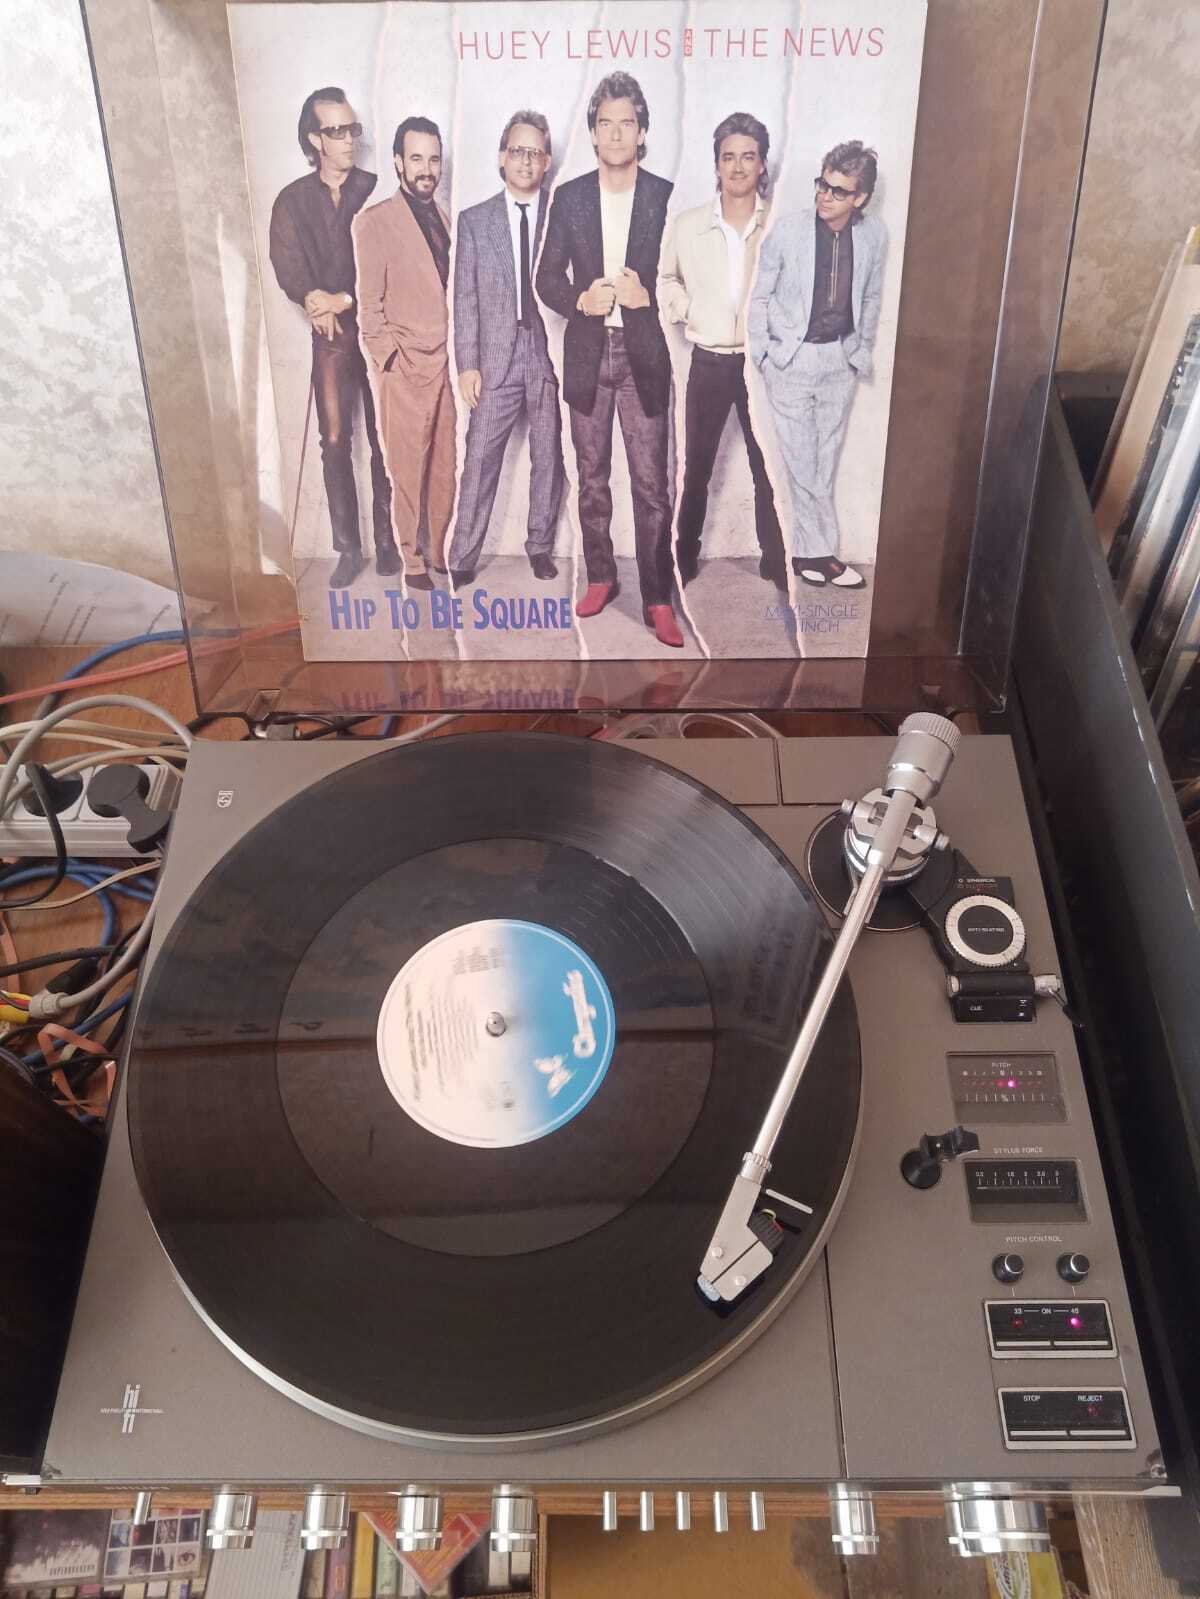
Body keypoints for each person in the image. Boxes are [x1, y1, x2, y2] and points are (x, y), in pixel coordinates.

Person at [535, 72, 682, 648]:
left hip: (644, 355)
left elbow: (683, 279)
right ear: (593, 133)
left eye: (627, 123)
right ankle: (601, 577)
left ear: (642, 132)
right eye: (606, 123)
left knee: (651, 487)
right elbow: (546, 277)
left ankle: (658, 597)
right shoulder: (570, 197)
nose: (616, 133)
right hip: (588, 357)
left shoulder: (664, 196)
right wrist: (579, 300)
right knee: (592, 478)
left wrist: (649, 299)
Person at [269, 87, 396, 590]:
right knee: (335, 439)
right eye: (336, 131)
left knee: (386, 438)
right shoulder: (292, 200)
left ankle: (389, 541)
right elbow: (286, 262)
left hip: (380, 330)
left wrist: (340, 299)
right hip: (332, 337)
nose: (348, 140)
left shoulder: (378, 191)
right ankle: (348, 549)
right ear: (314, 139)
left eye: (352, 129)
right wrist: (311, 299)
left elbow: (391, 266)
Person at [748, 139, 886, 590]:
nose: (825, 196)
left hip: (839, 360)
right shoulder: (787, 231)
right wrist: (764, 353)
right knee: (802, 462)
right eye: (822, 185)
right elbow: (759, 296)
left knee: (824, 461)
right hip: (792, 359)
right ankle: (822, 556)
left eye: (838, 191)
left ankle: (811, 555)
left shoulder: (874, 235)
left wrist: (859, 352)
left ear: (860, 198)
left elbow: (870, 296)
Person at [658, 111, 786, 592]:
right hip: (709, 361)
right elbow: (665, 278)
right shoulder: (689, 224)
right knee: (696, 467)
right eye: (728, 157)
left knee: (766, 467)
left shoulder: (779, 225)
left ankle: (775, 561)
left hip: (760, 364)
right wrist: (690, 310)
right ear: (716, 164)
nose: (737, 167)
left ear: (761, 163)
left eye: (747, 157)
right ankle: (683, 558)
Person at [447, 111, 564, 587]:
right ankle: (462, 557)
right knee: (480, 457)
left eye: (534, 152)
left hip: (546, 351)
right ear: (502, 157)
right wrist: (467, 364)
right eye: (517, 151)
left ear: (547, 161)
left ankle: (540, 546)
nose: (525, 161)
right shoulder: (475, 221)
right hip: (496, 356)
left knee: (549, 454)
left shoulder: (561, 214)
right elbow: (464, 297)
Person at [353, 116, 455, 591]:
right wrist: (389, 360)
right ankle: (411, 558)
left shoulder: (447, 218)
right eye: (416, 158)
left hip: (447, 362)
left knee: (444, 464)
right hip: (404, 366)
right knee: (407, 468)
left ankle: (437, 550)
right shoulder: (374, 222)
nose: (426, 169)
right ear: (398, 162)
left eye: (433, 159)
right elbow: (368, 306)